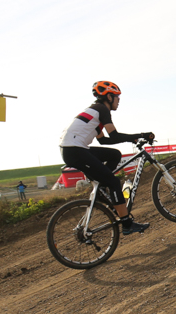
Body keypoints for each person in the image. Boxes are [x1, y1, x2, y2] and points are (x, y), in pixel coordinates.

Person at [58, 81, 154, 235]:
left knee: (114, 155)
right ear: (109, 97)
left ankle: (102, 187)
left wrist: (132, 138)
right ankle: (127, 224)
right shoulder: (102, 109)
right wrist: (140, 135)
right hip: (75, 150)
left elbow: (104, 140)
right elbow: (114, 135)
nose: (118, 101)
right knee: (114, 182)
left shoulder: (94, 111)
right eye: (117, 98)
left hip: (71, 149)